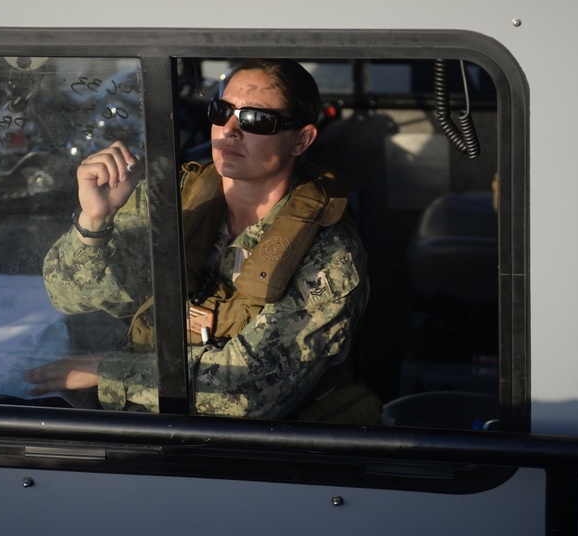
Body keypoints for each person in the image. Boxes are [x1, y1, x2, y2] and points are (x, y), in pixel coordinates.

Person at [26, 58, 376, 421]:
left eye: (258, 120)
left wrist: (109, 371)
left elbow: (247, 393)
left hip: (240, 455)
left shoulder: (329, 256)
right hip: (139, 422)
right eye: (222, 110)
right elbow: (70, 296)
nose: (230, 130)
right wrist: (95, 221)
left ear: (301, 140)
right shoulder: (173, 199)